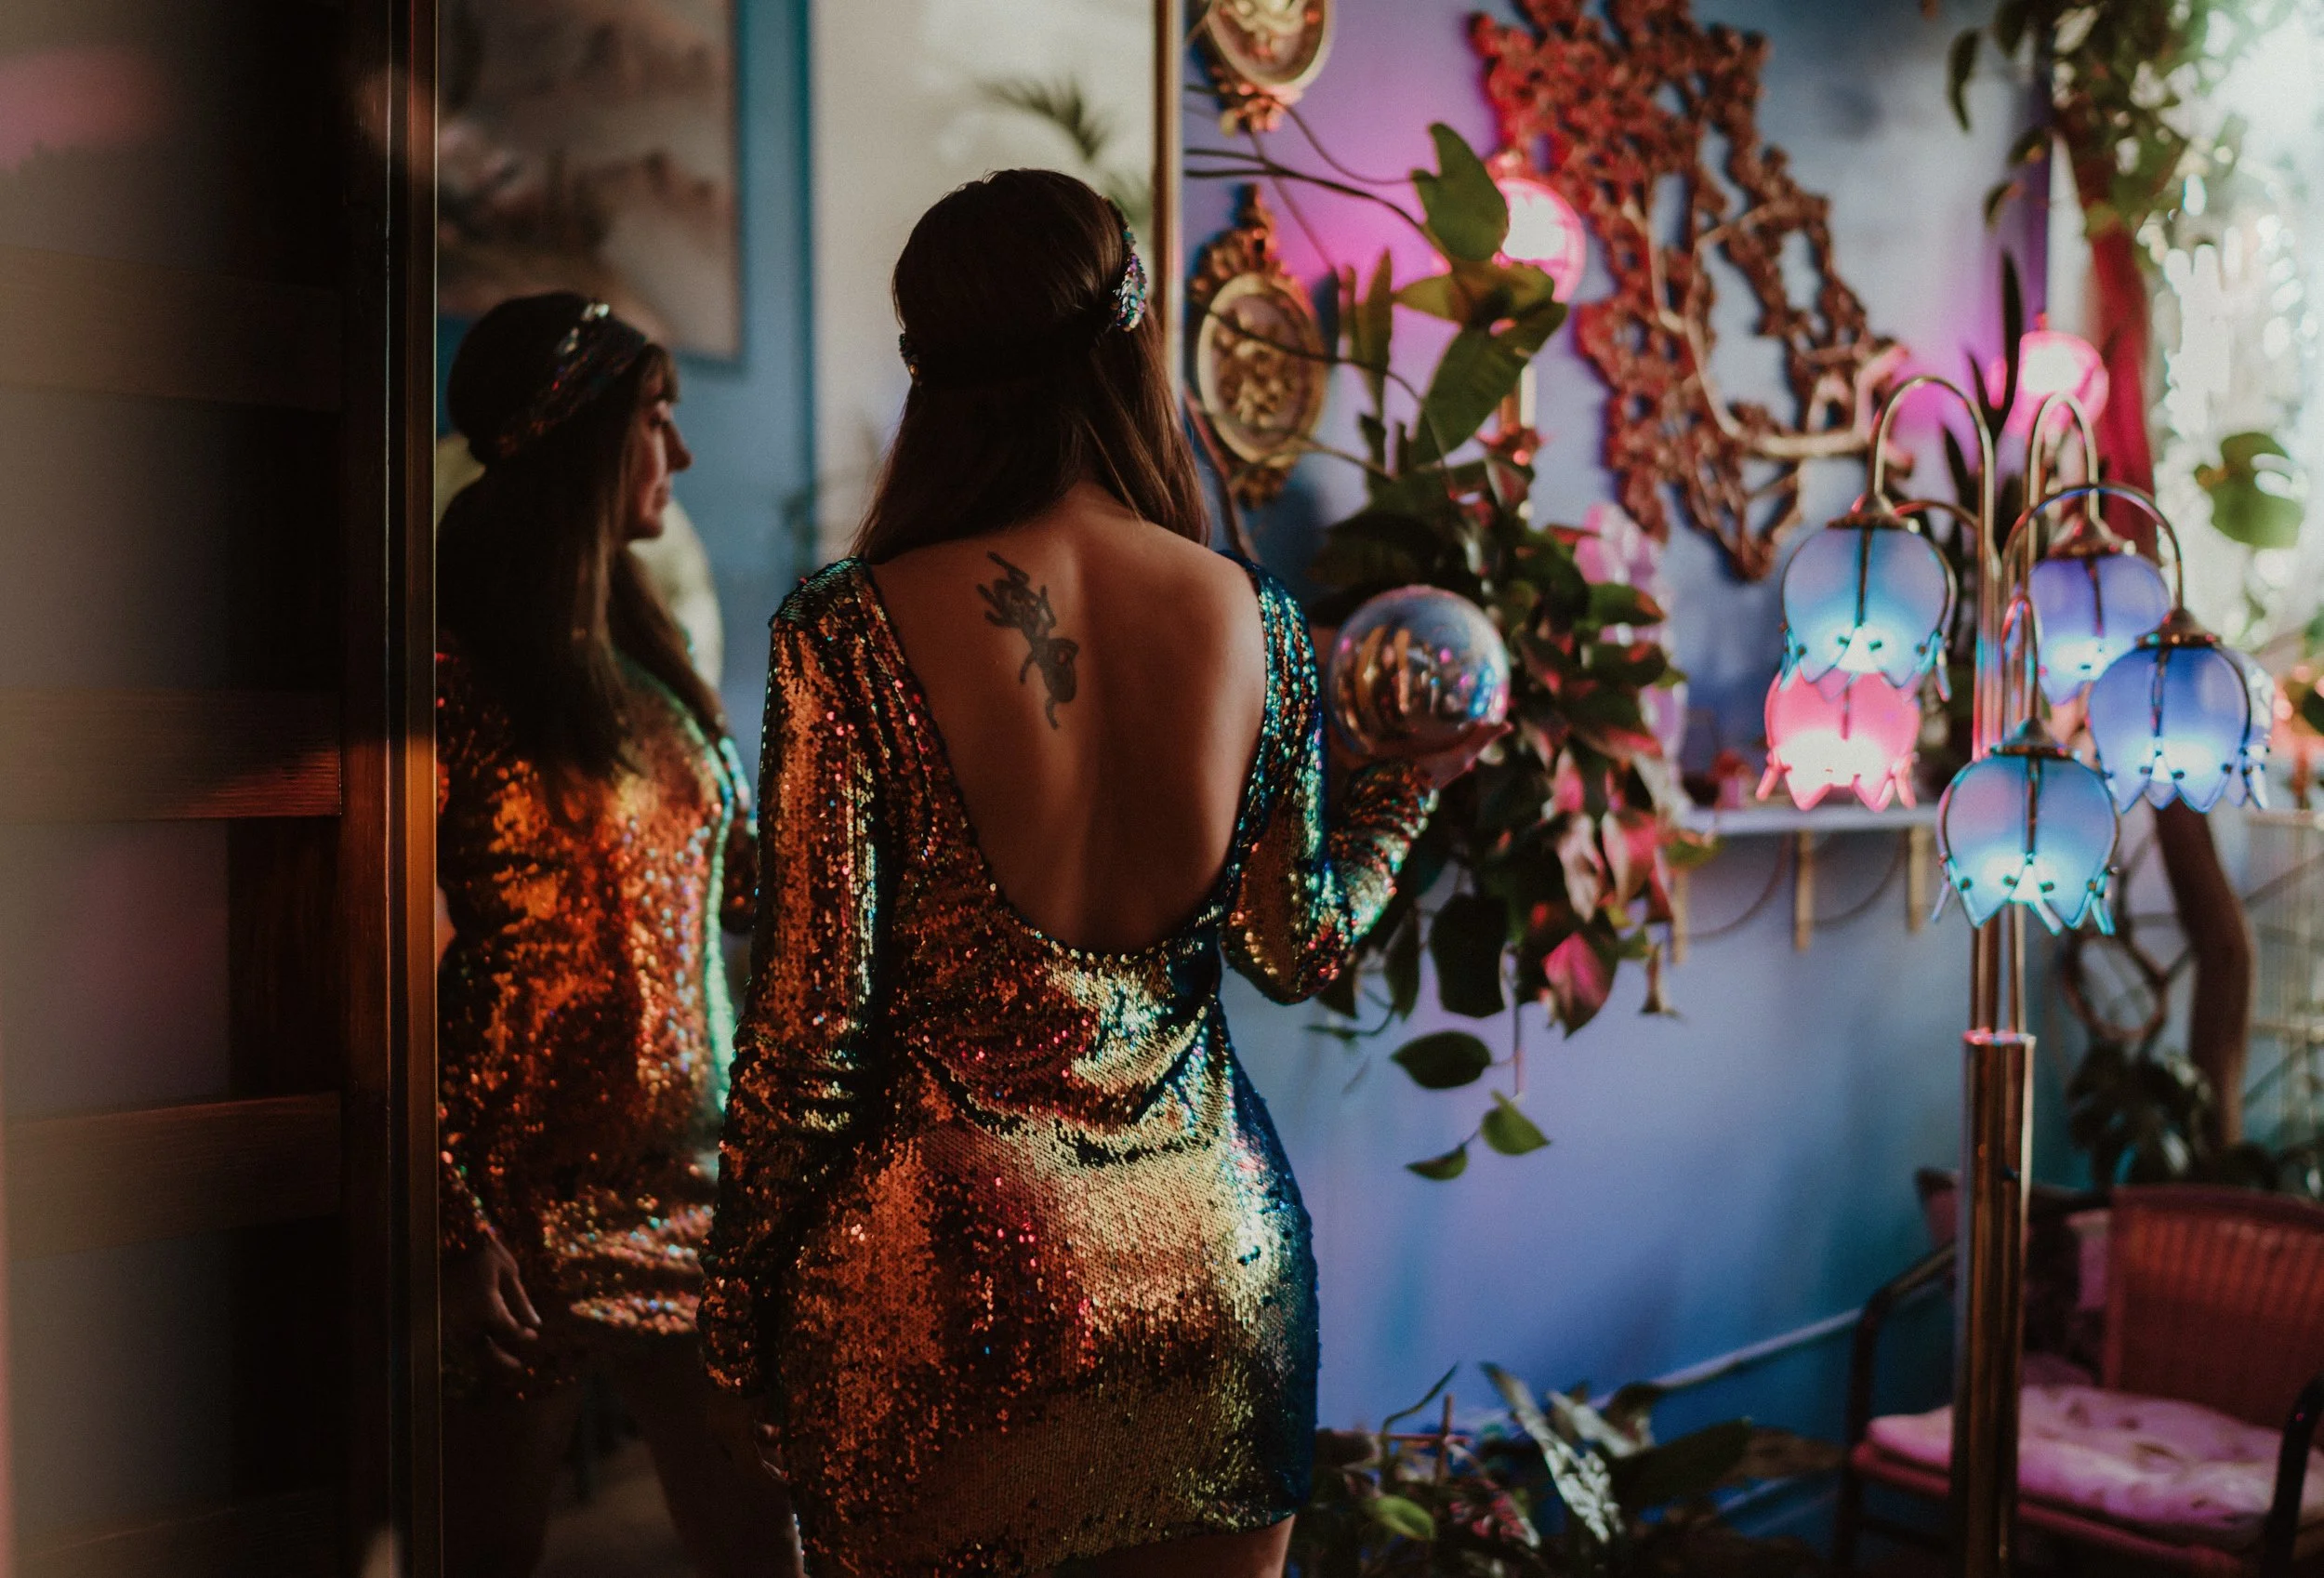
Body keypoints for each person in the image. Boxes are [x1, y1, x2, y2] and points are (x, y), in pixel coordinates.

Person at [700, 171, 1494, 1577]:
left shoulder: (848, 629)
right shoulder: (1258, 619)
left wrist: (738, 1305)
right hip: (1215, 1269)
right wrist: (1401, 805)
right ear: (1128, 341)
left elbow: (811, 1037)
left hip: (949, 1284)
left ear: (927, 367)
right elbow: (1295, 949)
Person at [434, 292, 799, 1577]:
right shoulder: (453, 677)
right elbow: (397, 959)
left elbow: (750, 897)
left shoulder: (655, 675)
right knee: (481, 1553)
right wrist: (448, 1219)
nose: (681, 455)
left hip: (694, 1195)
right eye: (658, 419)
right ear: (586, 434)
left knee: (766, 1547)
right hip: (517, 1219)